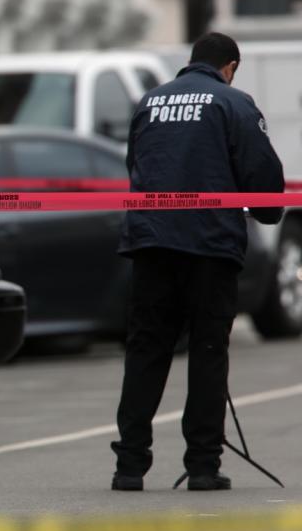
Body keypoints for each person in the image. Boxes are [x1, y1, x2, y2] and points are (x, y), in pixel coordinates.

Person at [111, 32, 284, 491]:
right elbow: (261, 173)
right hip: (209, 245)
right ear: (230, 66)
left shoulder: (150, 102)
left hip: (150, 243)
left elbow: (136, 165)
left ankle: (129, 465)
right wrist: (268, 212)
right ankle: (204, 465)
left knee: (146, 350)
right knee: (208, 352)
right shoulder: (233, 103)